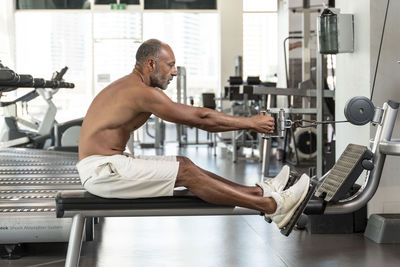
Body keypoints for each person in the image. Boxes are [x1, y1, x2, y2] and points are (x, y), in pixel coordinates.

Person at [77, 39, 310, 229]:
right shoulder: (139, 92)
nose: (175, 72)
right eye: (170, 65)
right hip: (102, 172)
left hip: (108, 166)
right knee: (186, 172)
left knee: (183, 163)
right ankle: (272, 206)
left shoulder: (133, 86)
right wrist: (251, 122)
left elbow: (200, 119)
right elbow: (200, 119)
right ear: (150, 64)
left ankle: (259, 191)